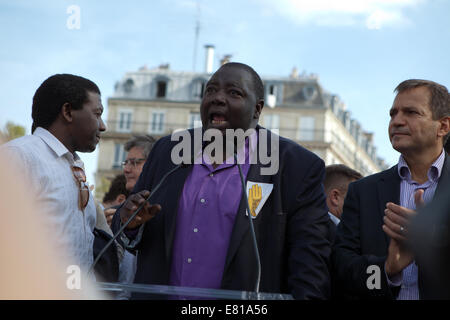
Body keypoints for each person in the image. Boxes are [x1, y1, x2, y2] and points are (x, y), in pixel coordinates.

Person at [112, 62, 331, 299]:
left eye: (234, 93)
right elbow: (126, 231)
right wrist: (129, 222)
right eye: (210, 90)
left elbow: (310, 264)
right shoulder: (167, 151)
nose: (217, 98)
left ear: (257, 109)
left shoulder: (296, 165)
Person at [332, 79, 450, 300]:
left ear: (443, 126)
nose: (396, 121)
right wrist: (387, 270)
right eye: (393, 113)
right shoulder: (362, 192)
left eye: (411, 112)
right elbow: (342, 269)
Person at [1, 74, 106, 277]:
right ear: (67, 111)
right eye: (97, 114)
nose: (103, 126)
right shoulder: (19, 157)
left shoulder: (74, 166)